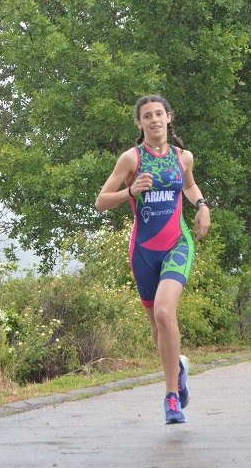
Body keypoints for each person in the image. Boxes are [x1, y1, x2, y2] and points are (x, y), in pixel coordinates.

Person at [95, 95, 210, 425]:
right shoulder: (130, 159)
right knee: (157, 328)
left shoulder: (182, 156)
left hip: (177, 243)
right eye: (147, 116)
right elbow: (101, 201)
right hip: (143, 251)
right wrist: (129, 192)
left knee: (164, 312)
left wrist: (202, 206)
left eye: (159, 114)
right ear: (139, 123)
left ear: (169, 118)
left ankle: (171, 397)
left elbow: (189, 187)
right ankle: (179, 369)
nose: (155, 120)